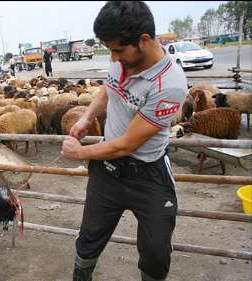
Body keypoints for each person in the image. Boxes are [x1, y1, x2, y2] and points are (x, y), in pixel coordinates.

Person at [60, 2, 187, 281]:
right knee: (89, 238)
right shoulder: (120, 59)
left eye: (118, 49)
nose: (113, 57)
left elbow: (127, 145)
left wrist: (80, 153)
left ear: (144, 40)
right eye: (110, 50)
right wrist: (86, 117)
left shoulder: (170, 84)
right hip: (107, 172)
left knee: (156, 252)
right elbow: (109, 87)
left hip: (147, 174)